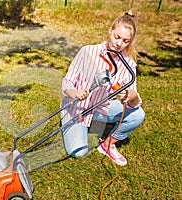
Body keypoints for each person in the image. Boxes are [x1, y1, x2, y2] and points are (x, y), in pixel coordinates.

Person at [60, 11, 145, 166]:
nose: (119, 44)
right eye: (117, 37)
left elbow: (134, 102)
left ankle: (107, 145)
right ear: (110, 31)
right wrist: (75, 93)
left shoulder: (129, 63)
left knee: (137, 115)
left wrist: (131, 96)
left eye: (125, 41)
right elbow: (67, 82)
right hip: (76, 109)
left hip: (101, 110)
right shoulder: (87, 51)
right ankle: (72, 124)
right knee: (78, 152)